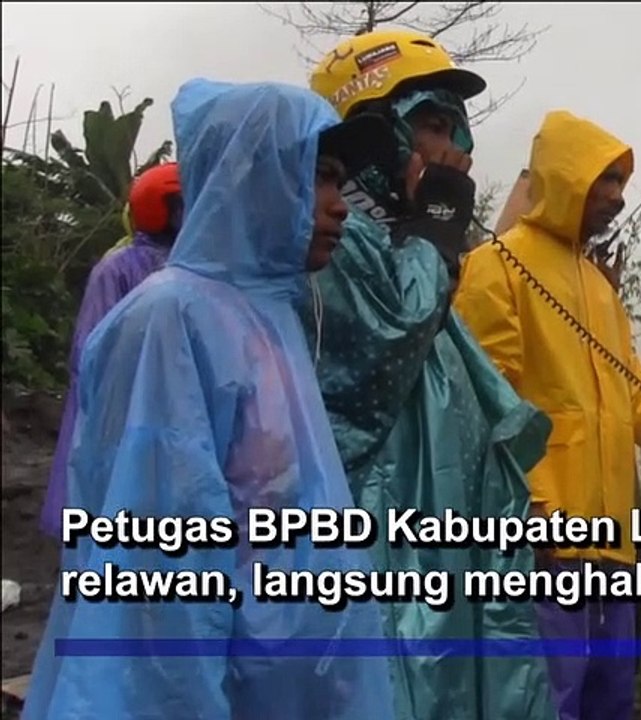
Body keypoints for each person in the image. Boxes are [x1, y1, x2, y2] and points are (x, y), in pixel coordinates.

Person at [20, 77, 399, 720]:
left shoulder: (269, 317)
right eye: (318, 177)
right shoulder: (171, 320)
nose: (340, 206)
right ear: (247, 177)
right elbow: (156, 583)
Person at [452, 109, 641, 720]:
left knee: (608, 705)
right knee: (540, 705)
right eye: (603, 181)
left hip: (612, 557)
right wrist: (531, 514)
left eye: (620, 184)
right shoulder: (497, 267)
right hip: (543, 550)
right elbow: (483, 403)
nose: (616, 199)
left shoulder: (600, 289)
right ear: (563, 179)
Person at [305, 30, 557, 720]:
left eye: (458, 130)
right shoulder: (338, 240)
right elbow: (387, 343)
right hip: (389, 537)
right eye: (433, 126)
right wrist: (441, 216)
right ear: (376, 132)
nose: (456, 152)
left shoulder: (405, 238)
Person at [40, 162, 183, 538]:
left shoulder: (188, 263)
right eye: (180, 206)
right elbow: (92, 344)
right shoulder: (119, 265)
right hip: (120, 396)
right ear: (158, 207)